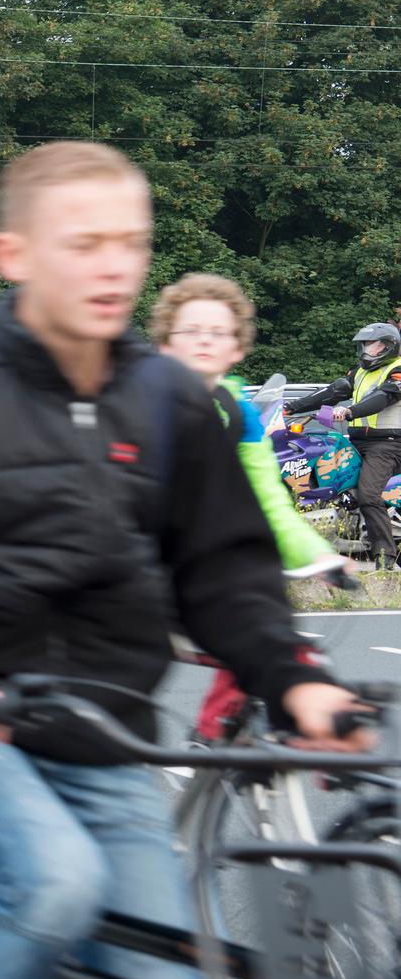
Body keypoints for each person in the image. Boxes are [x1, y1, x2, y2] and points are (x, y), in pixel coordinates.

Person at [0, 141, 365, 979]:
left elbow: (225, 575)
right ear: (15, 256)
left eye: (131, 242)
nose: (114, 264)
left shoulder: (173, 404)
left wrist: (295, 677)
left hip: (109, 749)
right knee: (57, 882)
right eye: (84, 243)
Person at [153, 273, 346, 741]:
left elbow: (270, 501)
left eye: (218, 332)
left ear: (237, 348)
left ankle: (225, 736)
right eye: (190, 330)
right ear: (164, 345)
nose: (204, 340)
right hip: (156, 570)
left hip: (222, 573)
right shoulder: (143, 403)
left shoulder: (238, 411)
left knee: (281, 641)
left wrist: (316, 554)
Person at [285, 321, 401, 568]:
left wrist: (350, 411)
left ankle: (385, 558)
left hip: (388, 444)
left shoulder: (397, 370)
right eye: (365, 345)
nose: (367, 350)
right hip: (359, 440)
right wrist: (290, 407)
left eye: (374, 345)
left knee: (369, 494)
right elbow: (331, 393)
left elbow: (382, 398)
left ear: (389, 347)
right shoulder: (359, 372)